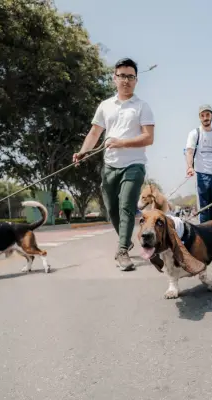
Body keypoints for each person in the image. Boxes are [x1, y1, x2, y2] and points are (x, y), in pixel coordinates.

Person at [72, 58, 155, 271]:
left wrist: (122, 143)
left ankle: (122, 252)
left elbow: (148, 138)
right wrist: (83, 152)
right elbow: (94, 133)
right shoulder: (105, 106)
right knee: (112, 210)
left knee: (126, 206)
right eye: (122, 76)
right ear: (114, 78)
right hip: (110, 166)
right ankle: (125, 241)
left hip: (134, 165)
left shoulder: (142, 107)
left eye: (130, 76)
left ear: (136, 80)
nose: (126, 80)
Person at [185, 104, 212, 223]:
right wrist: (189, 167)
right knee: (203, 208)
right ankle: (204, 235)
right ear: (199, 117)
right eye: (202, 115)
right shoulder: (195, 133)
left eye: (207, 115)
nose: (205, 118)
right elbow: (189, 152)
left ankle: (207, 227)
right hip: (201, 175)